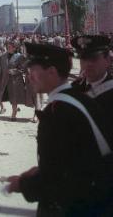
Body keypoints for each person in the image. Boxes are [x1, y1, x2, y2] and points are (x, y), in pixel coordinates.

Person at [6, 42, 113, 215]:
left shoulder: (57, 112)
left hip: (75, 206)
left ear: (52, 72)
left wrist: (22, 185)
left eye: (33, 71)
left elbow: (55, 180)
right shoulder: (78, 98)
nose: (29, 76)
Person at [72, 35, 113, 143]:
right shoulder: (74, 89)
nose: (88, 64)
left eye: (94, 58)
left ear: (108, 60)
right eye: (84, 58)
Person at [0, 41, 26, 121]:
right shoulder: (3, 56)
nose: (8, 48)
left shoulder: (19, 56)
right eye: (7, 47)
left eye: (10, 47)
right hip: (6, 80)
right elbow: (1, 68)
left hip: (16, 80)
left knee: (14, 97)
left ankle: (14, 114)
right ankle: (15, 109)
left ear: (15, 48)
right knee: (10, 97)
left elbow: (23, 69)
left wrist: (15, 71)